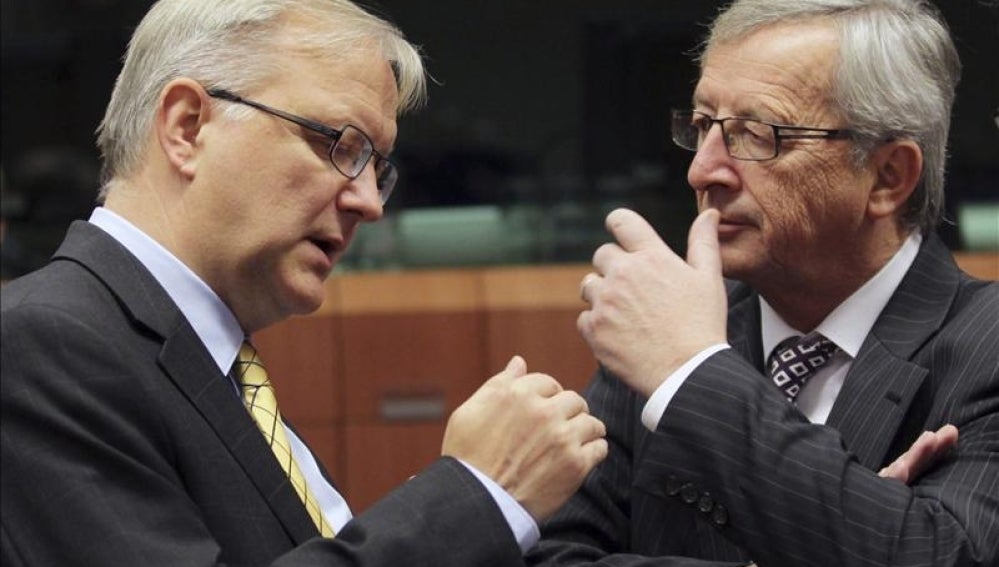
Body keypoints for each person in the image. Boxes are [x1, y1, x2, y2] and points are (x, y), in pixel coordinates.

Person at [0, 1, 608, 565]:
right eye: (338, 146)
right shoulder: (38, 343)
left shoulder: (212, 362)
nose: (370, 202)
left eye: (378, 166)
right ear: (187, 128)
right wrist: (478, 494)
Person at [529, 0, 998, 566]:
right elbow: (550, 555)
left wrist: (696, 375)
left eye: (757, 135)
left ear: (887, 176)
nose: (702, 171)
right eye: (703, 126)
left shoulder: (985, 347)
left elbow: (946, 557)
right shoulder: (677, 327)